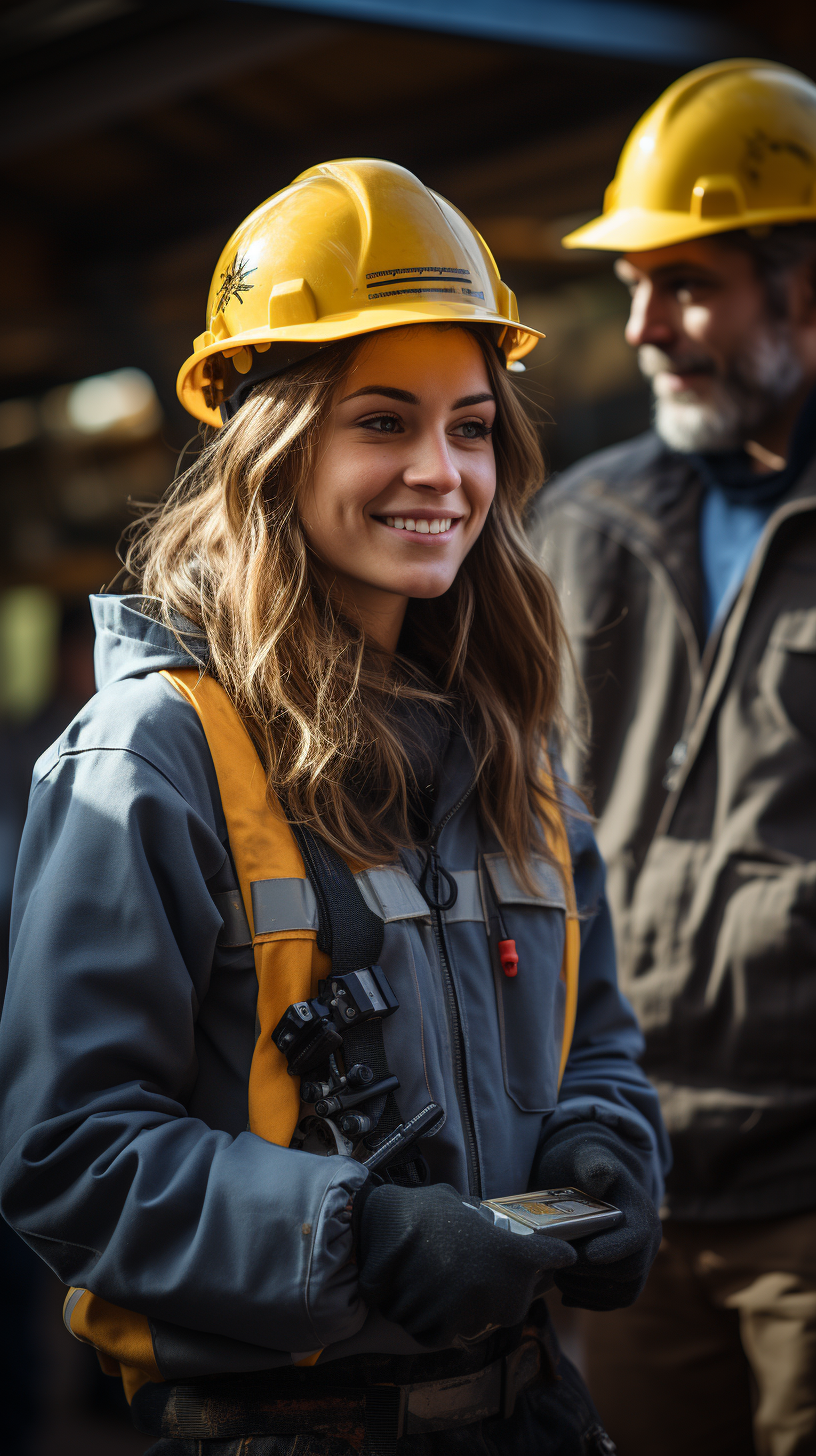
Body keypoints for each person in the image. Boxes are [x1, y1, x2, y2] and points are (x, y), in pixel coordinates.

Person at [0, 159, 667, 1456]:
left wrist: (603, 1140)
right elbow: (65, 1151)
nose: (442, 471)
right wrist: (349, 1233)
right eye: (383, 421)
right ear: (273, 440)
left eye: (471, 426)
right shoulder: (156, 754)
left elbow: (599, 1035)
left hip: (530, 1411)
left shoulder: (508, 747)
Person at [532, 60, 816, 1456]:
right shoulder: (577, 525)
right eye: (634, 285)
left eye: (688, 283)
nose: (646, 328)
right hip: (631, 1185)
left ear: (803, 283)